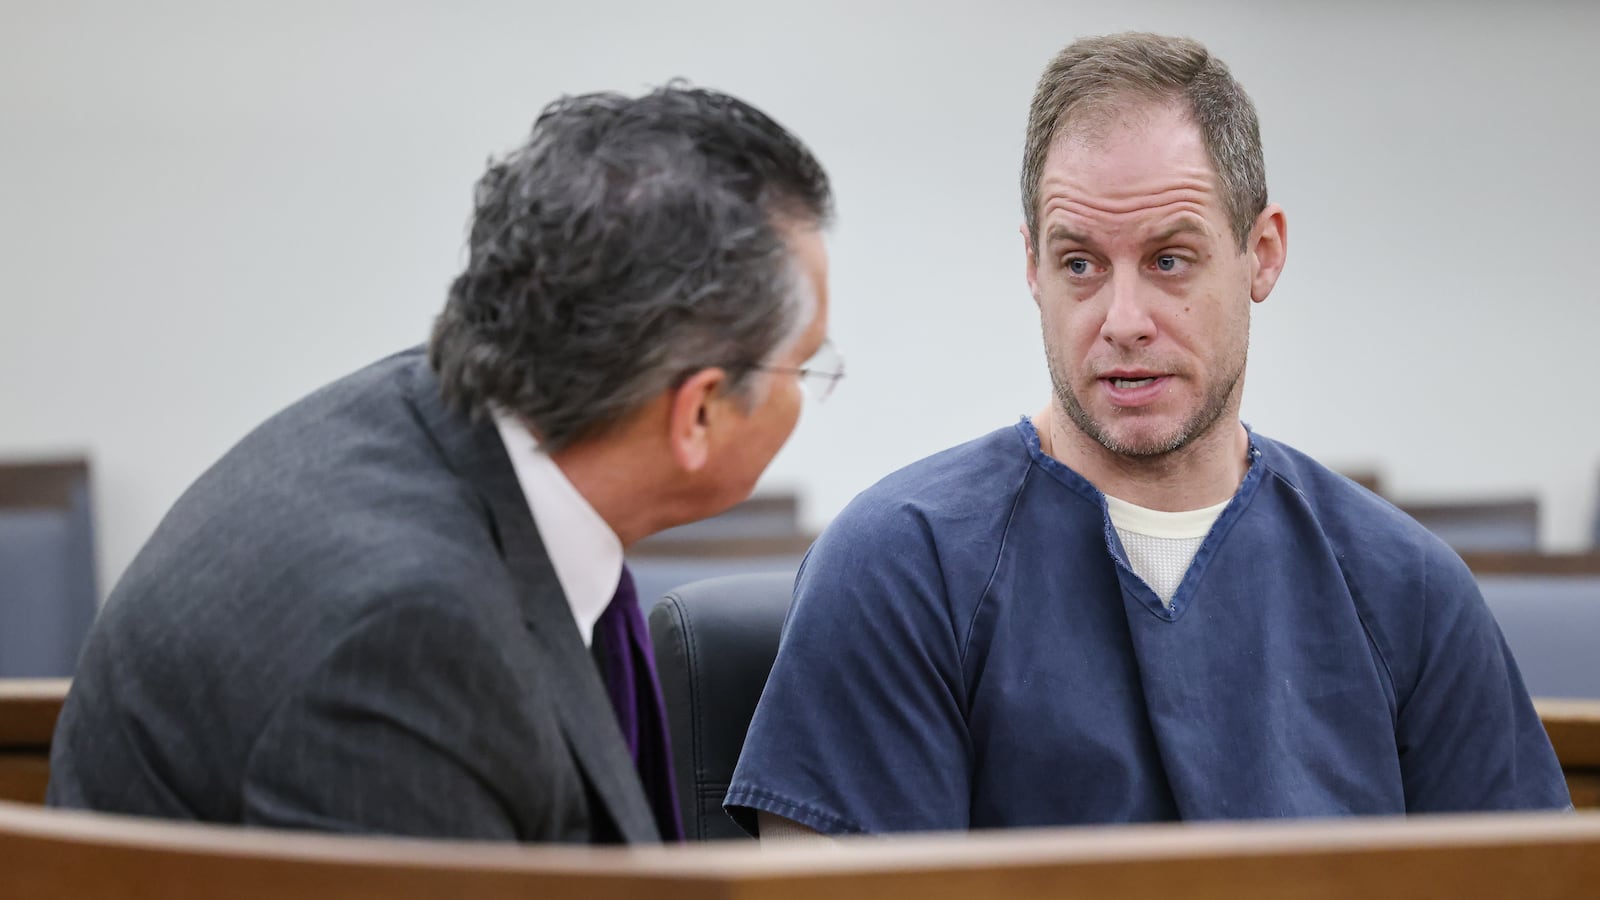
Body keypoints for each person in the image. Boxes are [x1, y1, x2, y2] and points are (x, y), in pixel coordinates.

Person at [727, 32, 1569, 838]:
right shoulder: (898, 566)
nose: (1122, 321)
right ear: (1032, 267)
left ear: (1262, 253)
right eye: (1080, 264)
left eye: (1169, 260)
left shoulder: (1406, 588)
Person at [48, 84, 838, 844]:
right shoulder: (411, 636)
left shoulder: (417, 411)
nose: (807, 391)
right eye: (803, 366)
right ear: (697, 411)